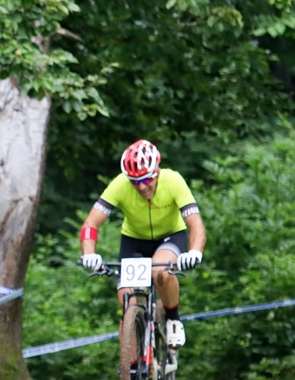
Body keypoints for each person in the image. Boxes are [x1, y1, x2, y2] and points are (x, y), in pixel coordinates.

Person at [78, 139, 206, 348]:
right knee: (127, 302)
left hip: (170, 236)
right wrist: (89, 254)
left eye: (146, 179)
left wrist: (194, 252)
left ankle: (173, 318)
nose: (141, 186)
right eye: (134, 181)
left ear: (156, 171)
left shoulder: (173, 181)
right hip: (134, 241)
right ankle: (134, 372)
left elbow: (196, 225)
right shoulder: (120, 184)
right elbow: (91, 223)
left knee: (160, 273)